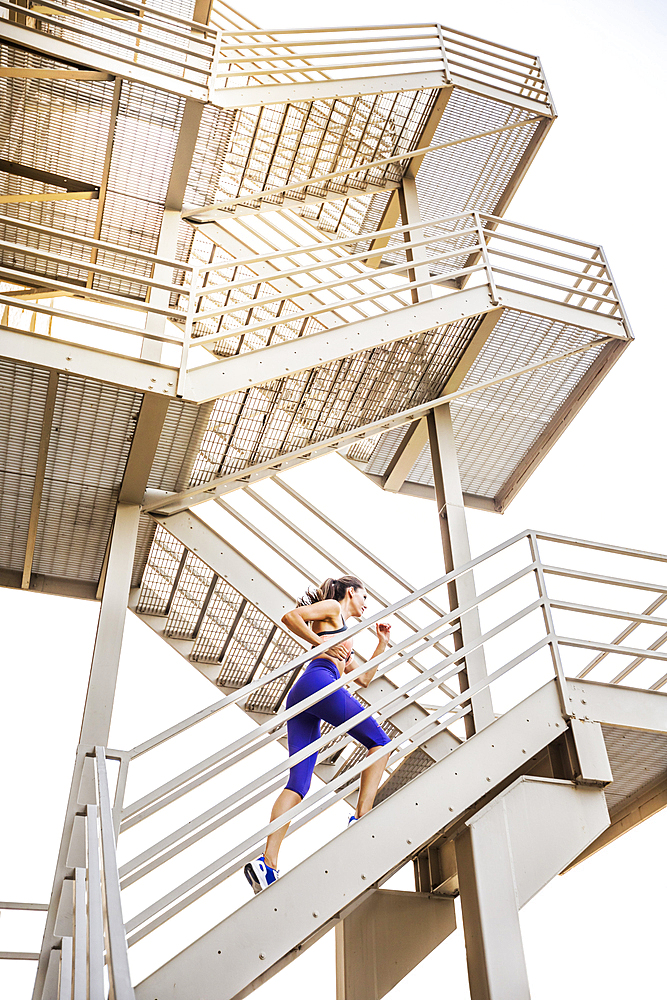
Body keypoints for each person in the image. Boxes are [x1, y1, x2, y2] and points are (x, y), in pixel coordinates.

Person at [244, 576, 392, 894]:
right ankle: (361, 816)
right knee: (380, 742)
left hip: (304, 694)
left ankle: (267, 864)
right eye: (365, 596)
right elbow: (290, 617)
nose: (367, 604)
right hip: (319, 681)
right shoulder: (333, 609)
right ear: (351, 592)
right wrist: (321, 642)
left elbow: (363, 679)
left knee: (298, 785)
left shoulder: (344, 634)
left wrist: (382, 644)